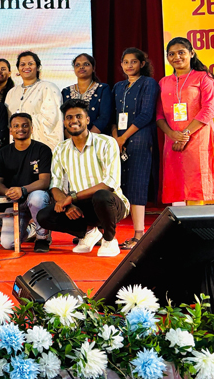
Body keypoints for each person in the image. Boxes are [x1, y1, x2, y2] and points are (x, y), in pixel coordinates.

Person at [36, 99, 129, 257]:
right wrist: (67, 204)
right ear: (65, 122)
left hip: (111, 203)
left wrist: (71, 198)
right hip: (82, 206)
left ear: (87, 119)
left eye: (78, 116)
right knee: (44, 216)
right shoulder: (61, 148)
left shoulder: (107, 142)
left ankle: (109, 239)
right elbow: (55, 185)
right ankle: (88, 233)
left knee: (102, 195)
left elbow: (109, 184)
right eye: (69, 117)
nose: (74, 121)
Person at [156, 37, 214, 205]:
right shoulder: (164, 82)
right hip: (173, 140)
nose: (177, 57)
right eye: (172, 54)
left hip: (197, 139)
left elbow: (209, 109)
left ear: (191, 54)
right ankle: (183, 230)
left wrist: (185, 134)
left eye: (181, 52)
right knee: (178, 187)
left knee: (196, 186)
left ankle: (198, 230)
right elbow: (158, 115)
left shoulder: (203, 78)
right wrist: (173, 135)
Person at [112, 48, 159, 250]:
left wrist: (123, 137)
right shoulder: (118, 87)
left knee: (137, 183)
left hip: (139, 137)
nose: (129, 65)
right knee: (117, 184)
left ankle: (139, 235)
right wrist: (116, 138)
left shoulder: (149, 83)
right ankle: (107, 233)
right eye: (125, 62)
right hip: (118, 140)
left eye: (134, 61)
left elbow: (146, 114)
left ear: (142, 63)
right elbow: (113, 115)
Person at [0, 113, 52, 252]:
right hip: (15, 202)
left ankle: (42, 237)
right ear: (11, 130)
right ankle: (30, 228)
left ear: (32, 128)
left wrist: (23, 190)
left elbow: (44, 181)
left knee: (37, 197)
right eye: (16, 126)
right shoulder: (3, 152)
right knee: (8, 244)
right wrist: (7, 192)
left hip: (35, 198)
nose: (21, 129)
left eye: (25, 125)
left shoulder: (42, 150)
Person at [5, 51, 63, 150]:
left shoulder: (48, 88)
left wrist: (22, 124)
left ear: (38, 67)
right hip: (17, 147)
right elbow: (8, 122)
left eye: (30, 64)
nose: (26, 67)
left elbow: (52, 119)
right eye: (22, 64)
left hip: (41, 146)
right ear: (18, 69)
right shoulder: (12, 93)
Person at [61, 53, 113, 135]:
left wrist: (88, 138)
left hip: (97, 139)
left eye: (86, 64)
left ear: (93, 68)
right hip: (71, 140)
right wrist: (73, 140)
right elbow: (62, 118)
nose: (81, 67)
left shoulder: (103, 89)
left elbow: (104, 117)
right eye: (77, 65)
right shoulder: (66, 91)